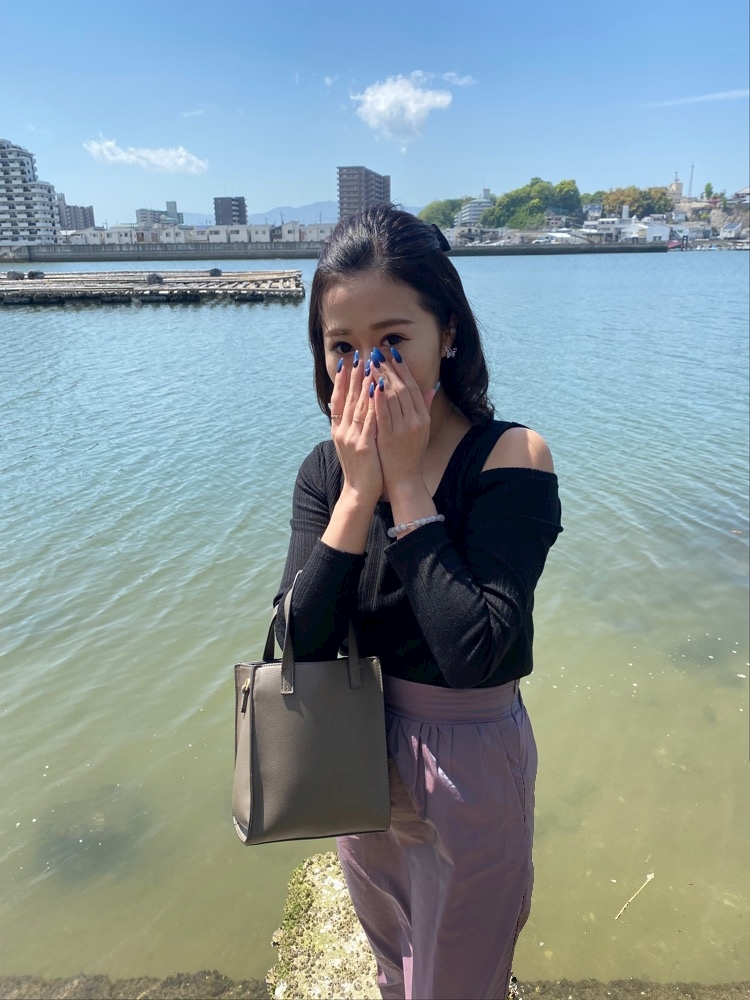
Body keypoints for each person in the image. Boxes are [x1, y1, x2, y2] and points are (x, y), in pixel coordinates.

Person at [274, 205, 562, 1000]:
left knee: (460, 981)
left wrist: (404, 486)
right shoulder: (326, 473)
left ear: (450, 333)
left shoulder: (511, 457)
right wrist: (356, 494)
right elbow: (300, 648)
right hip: (354, 748)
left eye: (393, 340)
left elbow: (478, 652)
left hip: (469, 760)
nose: (368, 369)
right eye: (343, 347)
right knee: (393, 961)